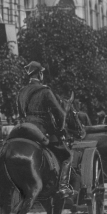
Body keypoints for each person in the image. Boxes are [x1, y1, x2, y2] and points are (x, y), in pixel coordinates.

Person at [17, 61, 72, 198]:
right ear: (40, 74)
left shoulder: (21, 92)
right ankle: (63, 186)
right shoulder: (45, 91)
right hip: (41, 129)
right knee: (66, 156)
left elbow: (19, 112)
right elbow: (60, 114)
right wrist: (59, 129)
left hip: (23, 129)